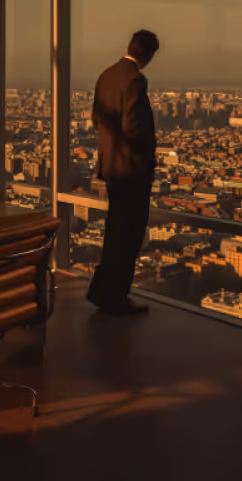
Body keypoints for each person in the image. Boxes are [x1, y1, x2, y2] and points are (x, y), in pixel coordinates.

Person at [86, 29, 159, 315]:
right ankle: (116, 297)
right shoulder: (135, 80)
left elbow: (96, 118)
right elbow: (133, 128)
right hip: (132, 170)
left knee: (115, 231)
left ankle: (104, 293)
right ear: (149, 55)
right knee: (129, 235)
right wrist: (145, 157)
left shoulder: (106, 75)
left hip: (112, 167)